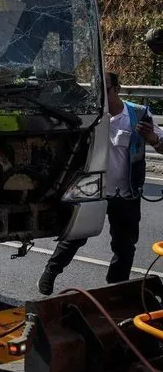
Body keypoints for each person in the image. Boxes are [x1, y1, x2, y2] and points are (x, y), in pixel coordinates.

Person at [38, 71, 162, 295]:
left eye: (105, 90)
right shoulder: (90, 114)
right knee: (75, 236)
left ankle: (115, 289)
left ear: (117, 89)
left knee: (125, 246)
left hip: (126, 193)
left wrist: (152, 139)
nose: (100, 96)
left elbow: (160, 143)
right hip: (93, 189)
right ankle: (50, 272)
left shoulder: (138, 114)